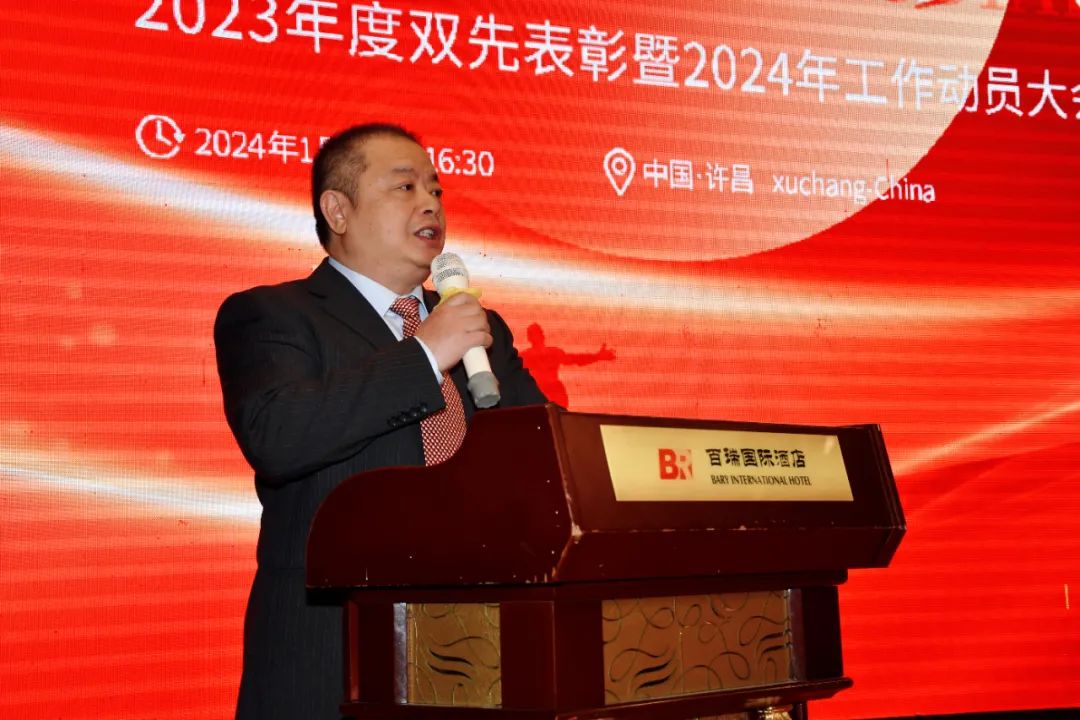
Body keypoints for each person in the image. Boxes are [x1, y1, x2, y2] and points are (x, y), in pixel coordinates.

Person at [213, 123, 546, 719]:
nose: (431, 203)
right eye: (405, 186)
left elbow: (545, 453)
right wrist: (425, 354)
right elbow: (279, 434)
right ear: (337, 210)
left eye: (436, 189)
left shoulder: (478, 328)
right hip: (331, 652)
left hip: (478, 646)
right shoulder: (273, 315)